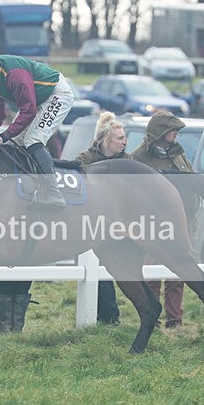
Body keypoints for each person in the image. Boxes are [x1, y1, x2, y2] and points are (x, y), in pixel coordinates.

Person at [0, 33, 73, 208]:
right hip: (35, 100)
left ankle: (53, 192)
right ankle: (30, 186)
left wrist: (2, 136)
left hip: (56, 93)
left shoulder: (13, 73)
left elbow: (28, 111)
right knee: (14, 143)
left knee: (33, 139)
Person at [129, 110, 194, 328]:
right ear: (160, 132)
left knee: (179, 273)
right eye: (172, 129)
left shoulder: (178, 155)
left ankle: (174, 320)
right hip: (153, 225)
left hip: (181, 221)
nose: (176, 133)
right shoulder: (138, 158)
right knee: (152, 274)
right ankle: (152, 319)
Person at [75, 111, 128, 325]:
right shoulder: (84, 160)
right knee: (98, 272)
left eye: (124, 137)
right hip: (91, 226)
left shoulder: (128, 162)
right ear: (107, 139)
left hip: (121, 226)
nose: (125, 142)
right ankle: (107, 317)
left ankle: (109, 316)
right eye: (120, 138)